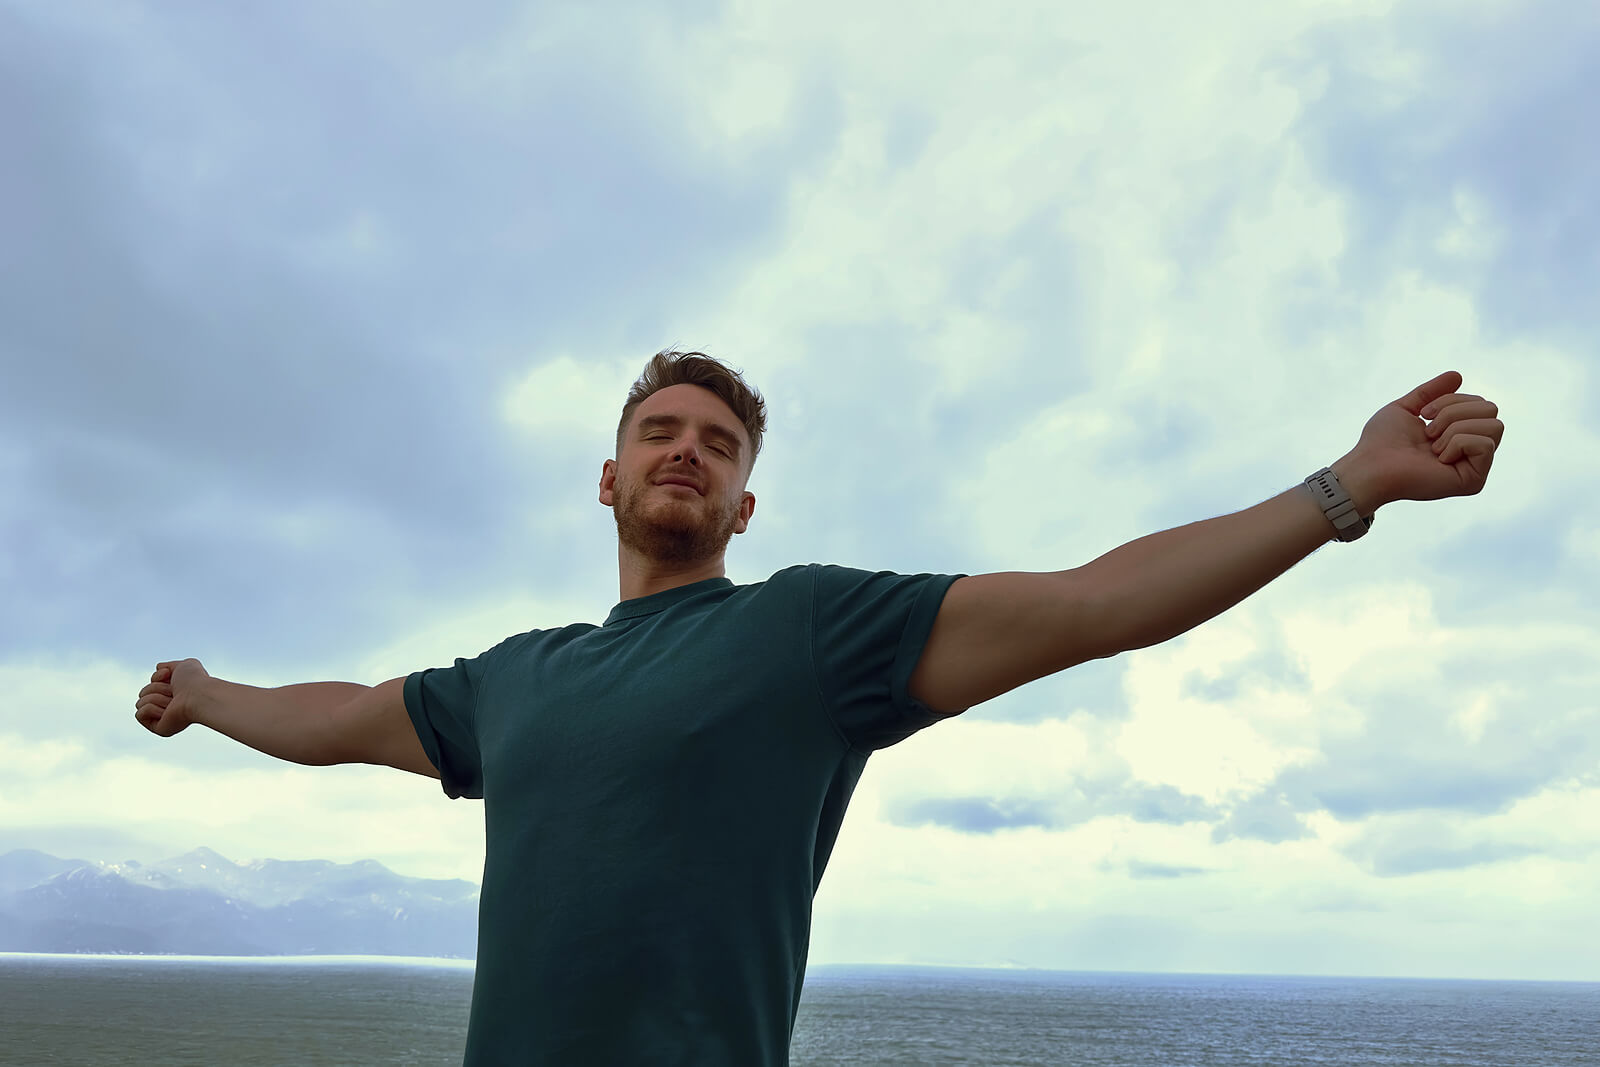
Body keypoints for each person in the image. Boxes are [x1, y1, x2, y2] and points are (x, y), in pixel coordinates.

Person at [135, 351, 1505, 1065]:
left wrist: (1343, 491)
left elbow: (1096, 602)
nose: (688, 451)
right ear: (605, 482)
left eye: (719, 445)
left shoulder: (808, 630)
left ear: (746, 503)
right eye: (660, 434)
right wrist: (206, 697)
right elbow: (346, 714)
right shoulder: (514, 681)